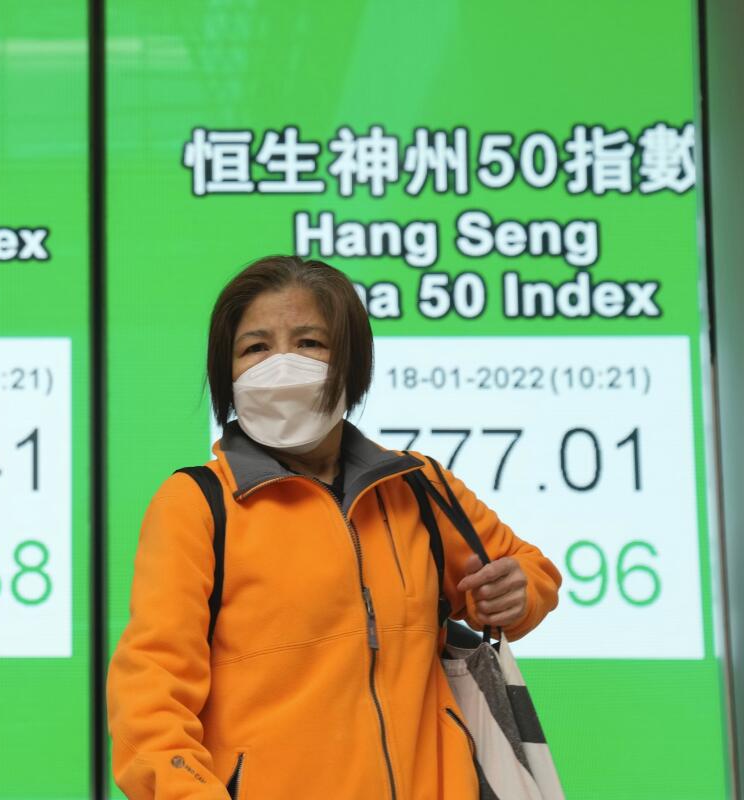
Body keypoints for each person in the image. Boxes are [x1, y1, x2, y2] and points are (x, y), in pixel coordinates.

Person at [106, 255, 562, 799]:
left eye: (309, 343)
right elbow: (149, 702)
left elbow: (529, 572)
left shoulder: (417, 486)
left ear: (350, 363)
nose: (281, 364)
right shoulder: (198, 503)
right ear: (227, 374)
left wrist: (521, 592)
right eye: (255, 348)